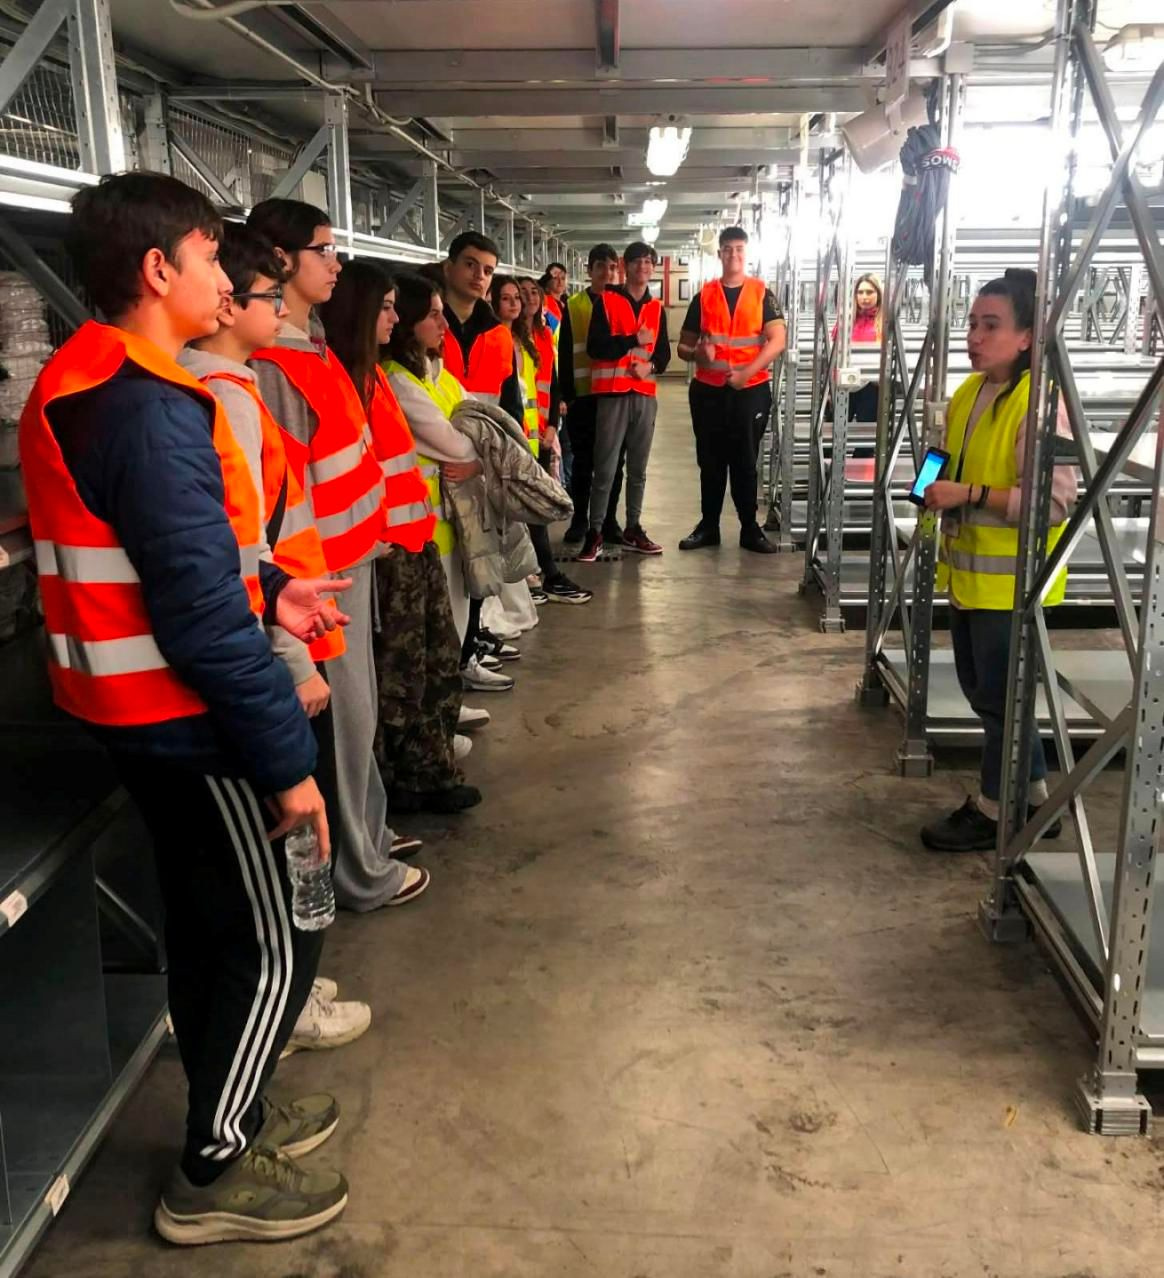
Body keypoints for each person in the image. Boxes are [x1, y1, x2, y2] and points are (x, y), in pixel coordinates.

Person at [20, 172, 349, 1244]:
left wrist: (271, 587)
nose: (228, 278)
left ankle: (231, 1105)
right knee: (270, 939)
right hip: (192, 723)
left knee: (213, 925)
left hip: (139, 714)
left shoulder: (93, 378)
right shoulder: (149, 410)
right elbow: (203, 624)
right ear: (159, 270)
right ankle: (212, 1168)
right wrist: (287, 766)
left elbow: (169, 565)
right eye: (213, 257)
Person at [180, 223, 378, 1060]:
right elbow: (242, 552)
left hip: (288, 624)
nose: (276, 309)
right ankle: (286, 1004)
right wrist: (296, 664)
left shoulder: (235, 385)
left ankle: (292, 986)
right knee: (289, 838)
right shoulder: (221, 397)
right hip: (277, 648)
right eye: (266, 295)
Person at [247, 197, 430, 911]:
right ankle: (358, 871)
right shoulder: (274, 368)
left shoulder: (312, 349)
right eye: (324, 250)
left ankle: (368, 840)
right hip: (315, 589)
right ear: (281, 260)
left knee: (361, 723)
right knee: (343, 730)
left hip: (348, 571)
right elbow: (279, 506)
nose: (336, 263)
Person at [919, 269, 1077, 853]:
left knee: (1000, 702)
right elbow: (945, 455)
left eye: (992, 326)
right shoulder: (970, 392)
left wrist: (970, 494)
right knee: (991, 695)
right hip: (971, 576)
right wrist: (928, 485)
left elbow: (1054, 503)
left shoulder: (1039, 405)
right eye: (972, 324)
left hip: (1013, 585)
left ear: (1027, 336)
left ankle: (993, 810)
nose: (975, 337)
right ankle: (1034, 801)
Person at [318, 258, 481, 814]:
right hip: (383, 551)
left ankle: (428, 765)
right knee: (401, 675)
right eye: (385, 308)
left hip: (411, 540)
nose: (393, 319)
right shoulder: (362, 381)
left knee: (433, 661)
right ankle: (411, 775)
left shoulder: (374, 379)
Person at [382, 273, 517, 694]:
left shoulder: (436, 373)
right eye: (433, 316)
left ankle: (456, 684)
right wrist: (478, 457)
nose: (444, 325)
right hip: (425, 523)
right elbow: (458, 444)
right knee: (439, 623)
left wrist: (476, 460)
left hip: (451, 516)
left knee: (458, 611)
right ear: (409, 323)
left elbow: (488, 425)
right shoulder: (398, 381)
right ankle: (447, 699)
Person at [677, 225, 787, 554]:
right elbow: (683, 346)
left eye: (739, 248)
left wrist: (745, 374)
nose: (733, 254)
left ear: (746, 252)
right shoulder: (704, 296)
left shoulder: (762, 293)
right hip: (708, 392)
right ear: (720, 253)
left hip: (750, 390)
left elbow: (778, 340)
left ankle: (749, 528)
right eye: (728, 249)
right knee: (710, 462)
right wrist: (698, 355)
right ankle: (708, 526)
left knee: (745, 461)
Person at [491, 275, 591, 606]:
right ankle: (541, 574)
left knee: (533, 509)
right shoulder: (498, 339)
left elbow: (548, 384)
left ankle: (538, 574)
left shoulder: (534, 338)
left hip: (535, 437)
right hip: (514, 438)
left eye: (526, 294)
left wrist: (551, 426)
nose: (522, 300)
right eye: (510, 296)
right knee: (524, 511)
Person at [577, 240, 671, 562]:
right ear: (625, 266)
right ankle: (595, 532)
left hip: (644, 396)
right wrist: (632, 340)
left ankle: (633, 527)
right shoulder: (606, 301)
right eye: (637, 261)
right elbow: (596, 347)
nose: (643, 267)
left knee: (638, 470)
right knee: (605, 468)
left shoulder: (656, 308)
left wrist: (650, 367)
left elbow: (663, 353)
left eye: (648, 262)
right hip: (612, 395)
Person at [559, 243, 625, 545]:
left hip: (615, 394)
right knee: (583, 462)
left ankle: (609, 520)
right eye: (601, 267)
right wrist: (568, 395)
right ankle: (579, 520)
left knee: (614, 465)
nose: (607, 273)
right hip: (584, 397)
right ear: (589, 270)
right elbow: (564, 352)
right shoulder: (574, 306)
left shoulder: (624, 304)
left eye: (612, 267)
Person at [831, 273, 883, 423]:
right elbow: (833, 354)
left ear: (879, 294)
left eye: (870, 292)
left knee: (867, 431)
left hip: (872, 387)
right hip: (844, 383)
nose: (864, 297)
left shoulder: (884, 323)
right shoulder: (845, 321)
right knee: (834, 428)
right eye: (860, 292)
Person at [539, 260, 568, 342]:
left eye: (563, 278)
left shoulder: (566, 302)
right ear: (547, 281)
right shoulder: (542, 302)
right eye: (555, 278)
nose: (560, 281)